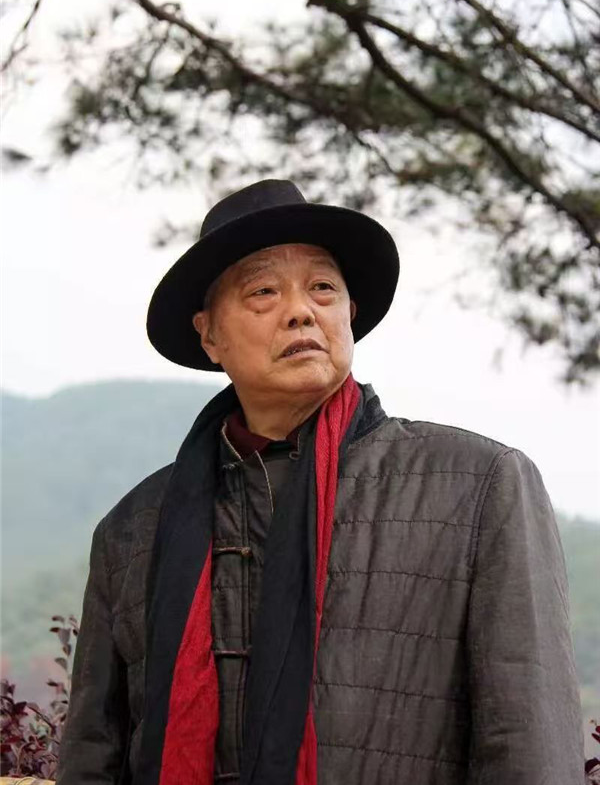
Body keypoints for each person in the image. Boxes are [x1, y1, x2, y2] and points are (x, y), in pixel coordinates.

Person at [56, 179, 584, 785]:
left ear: (349, 314)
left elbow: (530, 746)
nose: (301, 311)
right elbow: (93, 757)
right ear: (209, 335)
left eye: (323, 288)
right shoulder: (133, 531)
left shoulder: (480, 485)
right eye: (263, 292)